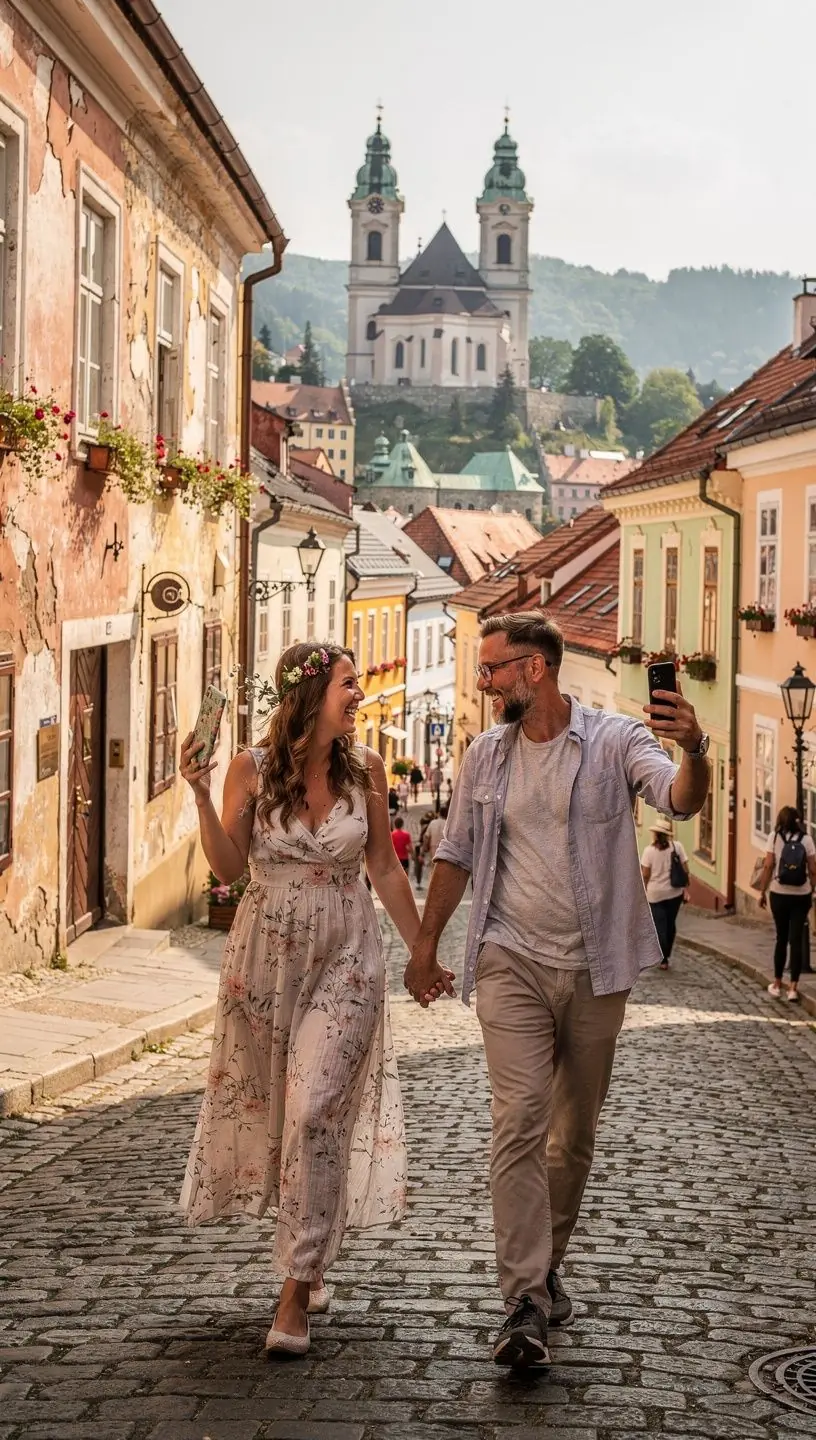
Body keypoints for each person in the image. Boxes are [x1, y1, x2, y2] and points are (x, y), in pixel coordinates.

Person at [404, 610, 710, 1371]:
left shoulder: (615, 741)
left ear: (532, 670)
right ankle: (524, 1300)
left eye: (491, 669)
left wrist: (695, 747)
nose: (481, 681)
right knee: (519, 1120)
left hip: (597, 966)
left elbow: (678, 799)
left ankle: (545, 1272)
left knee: (570, 1137)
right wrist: (423, 944)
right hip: (510, 958)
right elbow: (458, 852)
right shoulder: (485, 754)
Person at [178, 642, 421, 1356]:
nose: (362, 694)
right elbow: (227, 869)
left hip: (345, 951)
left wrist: (424, 951)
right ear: (311, 694)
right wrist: (198, 793)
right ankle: (310, 1255)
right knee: (282, 1113)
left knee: (315, 1106)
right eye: (351, 684)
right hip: (264, 957)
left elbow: (383, 866)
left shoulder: (367, 769)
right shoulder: (252, 769)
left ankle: (294, 1290)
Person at [757, 804, 816, 1002]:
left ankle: (776, 982)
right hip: (802, 894)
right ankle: (793, 988)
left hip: (779, 893)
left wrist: (762, 891)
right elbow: (813, 868)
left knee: (781, 938)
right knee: (796, 939)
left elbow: (768, 866)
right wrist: (813, 888)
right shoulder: (806, 839)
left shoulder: (774, 838)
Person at [640, 817, 689, 969]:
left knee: (659, 925)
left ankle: (663, 958)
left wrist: (642, 892)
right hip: (675, 893)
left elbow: (645, 875)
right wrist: (686, 890)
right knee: (670, 924)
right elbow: (685, 870)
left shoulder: (648, 851)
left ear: (655, 834)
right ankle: (666, 955)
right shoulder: (677, 847)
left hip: (655, 895)